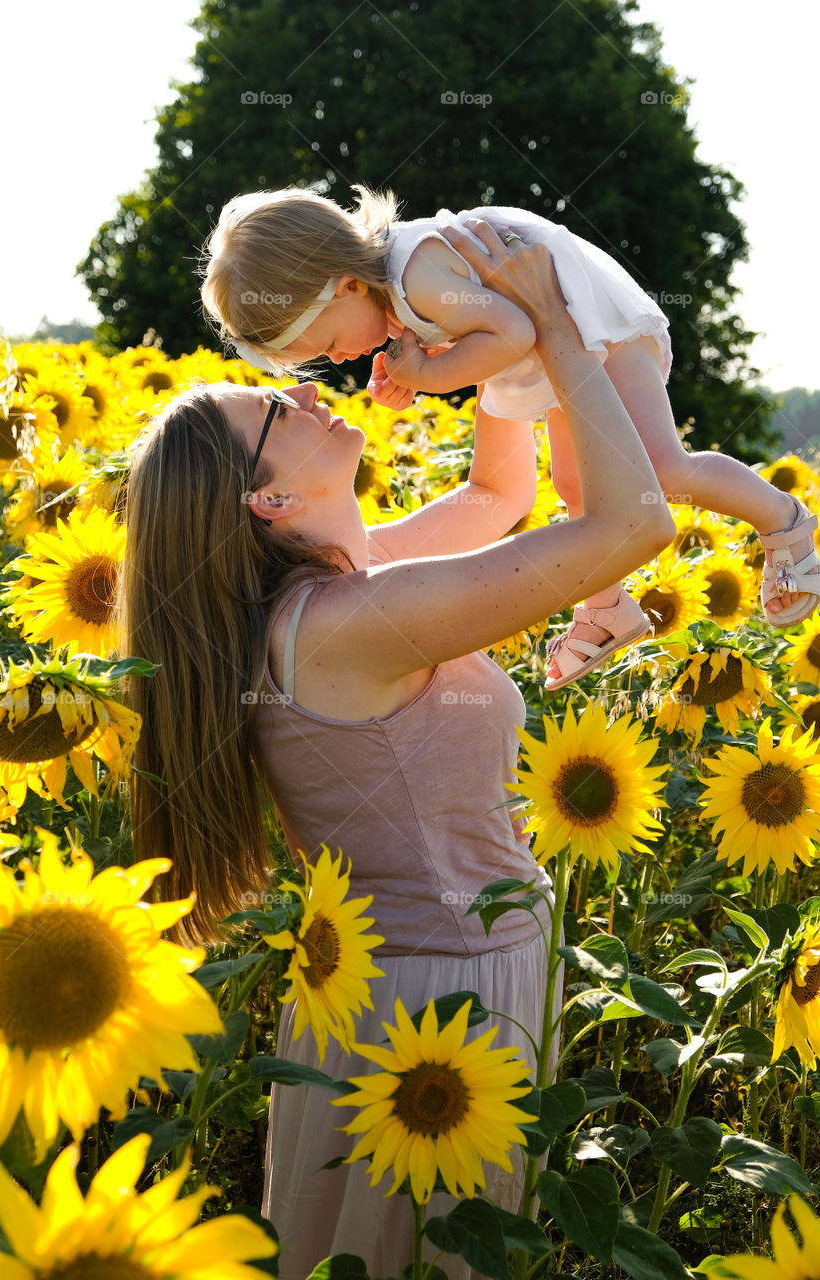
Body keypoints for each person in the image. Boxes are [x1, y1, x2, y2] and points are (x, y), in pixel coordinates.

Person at [118, 229, 674, 1277]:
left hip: (412, 976)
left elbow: (497, 499)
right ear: (268, 500)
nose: (308, 389)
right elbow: (634, 522)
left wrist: (478, 331)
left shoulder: (329, 590)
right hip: (434, 1005)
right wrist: (558, 331)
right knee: (432, 1254)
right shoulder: (345, 624)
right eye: (277, 409)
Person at [200, 185, 820, 690]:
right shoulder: (397, 291)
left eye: (333, 344)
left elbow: (515, 331)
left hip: (589, 325)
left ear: (347, 285)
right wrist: (422, 369)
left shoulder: (416, 274)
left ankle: (785, 522)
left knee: (658, 467)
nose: (341, 360)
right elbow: (489, 337)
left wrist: (428, 375)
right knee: (577, 485)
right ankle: (606, 608)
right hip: (556, 350)